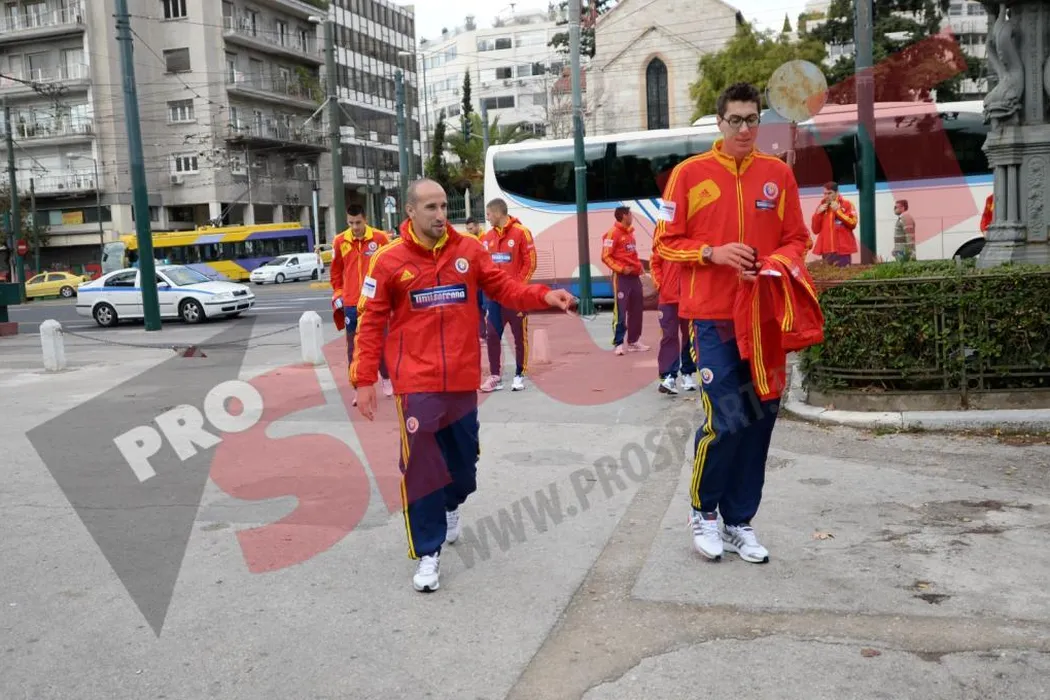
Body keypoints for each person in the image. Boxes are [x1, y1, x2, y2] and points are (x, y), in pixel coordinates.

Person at [349, 179, 576, 592]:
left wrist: (543, 296)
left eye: (443, 207)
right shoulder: (388, 260)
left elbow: (504, 287)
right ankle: (428, 551)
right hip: (415, 382)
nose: (441, 215)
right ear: (410, 212)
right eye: (431, 208)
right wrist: (364, 379)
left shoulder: (468, 251)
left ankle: (452, 502)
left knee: (463, 468)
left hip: (461, 378)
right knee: (420, 464)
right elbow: (370, 322)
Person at [655, 82, 813, 565]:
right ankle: (703, 512)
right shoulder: (688, 174)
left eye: (752, 119)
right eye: (736, 120)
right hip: (712, 318)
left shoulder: (777, 175)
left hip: (764, 318)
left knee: (760, 419)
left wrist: (775, 263)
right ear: (720, 122)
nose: (745, 129)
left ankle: (738, 520)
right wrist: (712, 253)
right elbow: (664, 242)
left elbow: (797, 239)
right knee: (726, 418)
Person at [330, 204, 392, 400]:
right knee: (353, 348)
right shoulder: (340, 241)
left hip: (375, 303)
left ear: (365, 219)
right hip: (350, 304)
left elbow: (390, 267)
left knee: (380, 343)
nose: (355, 227)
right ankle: (357, 387)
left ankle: (386, 377)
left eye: (358, 222)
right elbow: (335, 272)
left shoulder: (380, 238)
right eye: (351, 223)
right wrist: (339, 292)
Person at [479, 198, 537, 393]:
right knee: (492, 334)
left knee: (519, 336)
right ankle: (495, 376)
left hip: (516, 297)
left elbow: (530, 263)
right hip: (495, 298)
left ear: (497, 213)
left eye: (488, 214)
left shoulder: (522, 232)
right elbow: (483, 266)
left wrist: (516, 288)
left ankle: (520, 374)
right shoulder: (486, 238)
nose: (487, 218)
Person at [650, 226, 698, 394]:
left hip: (688, 297)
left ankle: (687, 373)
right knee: (669, 336)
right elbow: (655, 263)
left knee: (689, 336)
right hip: (668, 298)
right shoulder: (664, 236)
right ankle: (668, 376)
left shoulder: (691, 237)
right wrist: (661, 285)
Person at [601, 206, 651, 355]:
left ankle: (634, 341)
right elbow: (605, 256)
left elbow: (632, 254)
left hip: (634, 277)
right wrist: (621, 269)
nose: (632, 217)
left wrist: (639, 268)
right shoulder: (612, 233)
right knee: (621, 311)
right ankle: (618, 343)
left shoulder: (630, 234)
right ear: (624, 216)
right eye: (630, 214)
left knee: (636, 310)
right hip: (621, 278)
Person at [811, 181, 858, 267]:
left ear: (837, 193)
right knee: (828, 274)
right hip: (826, 250)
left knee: (844, 274)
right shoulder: (822, 206)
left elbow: (853, 223)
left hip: (843, 251)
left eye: (829, 193)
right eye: (825, 193)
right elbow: (815, 230)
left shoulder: (847, 204)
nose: (826, 196)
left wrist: (838, 211)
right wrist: (817, 214)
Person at [462, 217, 487, 339]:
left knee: (487, 307)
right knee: (477, 309)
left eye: (471, 228)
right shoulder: (468, 241)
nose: (469, 231)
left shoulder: (486, 239)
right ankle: (482, 333)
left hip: (485, 282)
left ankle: (490, 332)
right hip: (474, 282)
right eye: (467, 229)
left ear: (477, 226)